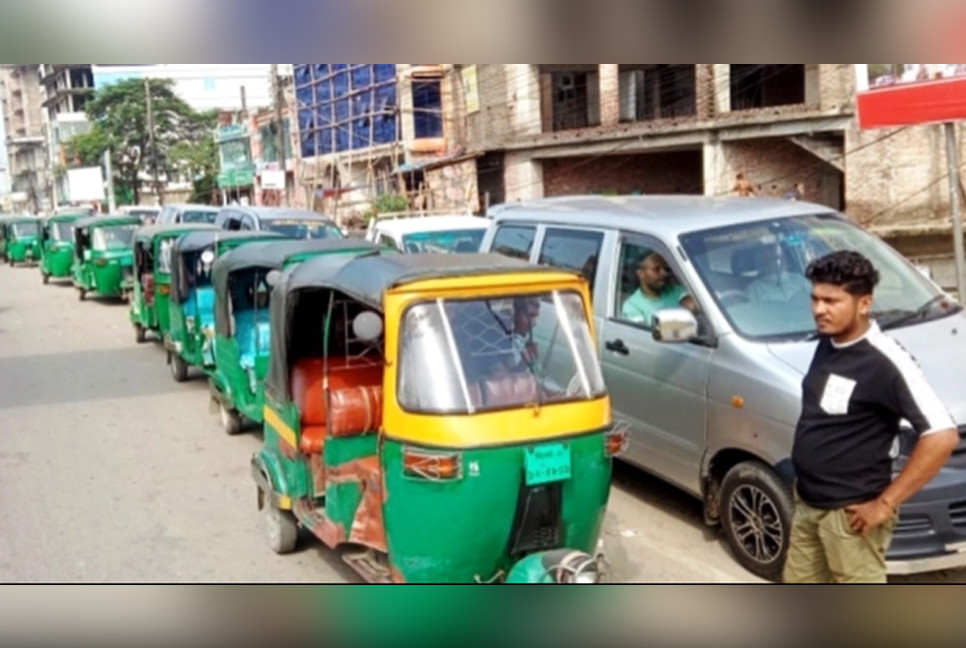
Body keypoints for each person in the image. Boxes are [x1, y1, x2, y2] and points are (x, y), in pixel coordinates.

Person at [783, 251, 958, 584]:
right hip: (809, 503)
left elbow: (941, 434)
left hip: (850, 517)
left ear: (864, 304)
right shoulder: (829, 342)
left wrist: (884, 504)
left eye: (832, 301)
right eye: (815, 299)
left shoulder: (886, 360)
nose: (819, 310)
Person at [622, 252, 695, 326]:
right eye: (656, 269)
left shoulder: (673, 289)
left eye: (665, 269)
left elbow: (691, 304)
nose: (664, 273)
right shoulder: (632, 305)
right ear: (641, 273)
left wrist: (689, 304)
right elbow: (642, 335)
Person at [745, 244, 812, 302]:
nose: (779, 262)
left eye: (781, 257)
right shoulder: (755, 289)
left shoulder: (800, 280)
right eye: (774, 258)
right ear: (764, 263)